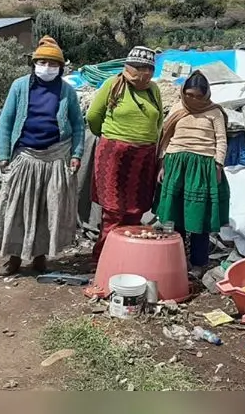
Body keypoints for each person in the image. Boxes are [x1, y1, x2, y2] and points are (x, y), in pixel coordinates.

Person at [0, 37, 85, 277]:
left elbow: (78, 126)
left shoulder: (67, 92)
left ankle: (41, 257)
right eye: (42, 62)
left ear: (60, 67)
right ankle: (13, 258)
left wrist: (76, 154)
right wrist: (3, 156)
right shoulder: (20, 87)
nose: (47, 67)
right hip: (25, 155)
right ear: (34, 64)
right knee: (16, 207)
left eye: (53, 63)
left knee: (47, 208)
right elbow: (7, 122)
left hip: (56, 157)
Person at [85, 46, 163, 262]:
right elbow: (93, 116)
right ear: (128, 67)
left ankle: (128, 257)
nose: (143, 72)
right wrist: (109, 137)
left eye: (148, 68)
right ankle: (104, 259)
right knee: (113, 211)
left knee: (135, 210)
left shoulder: (153, 90)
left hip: (144, 157)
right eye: (138, 67)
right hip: (115, 156)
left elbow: (159, 121)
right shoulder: (113, 84)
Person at [154, 71, 230, 278]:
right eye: (189, 94)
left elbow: (221, 140)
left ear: (206, 95)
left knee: (199, 218)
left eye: (198, 96)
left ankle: (198, 263)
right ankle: (177, 260)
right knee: (176, 218)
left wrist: (218, 165)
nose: (193, 99)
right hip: (176, 165)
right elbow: (166, 137)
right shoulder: (178, 108)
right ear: (183, 92)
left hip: (203, 168)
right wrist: (163, 165)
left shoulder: (214, 112)